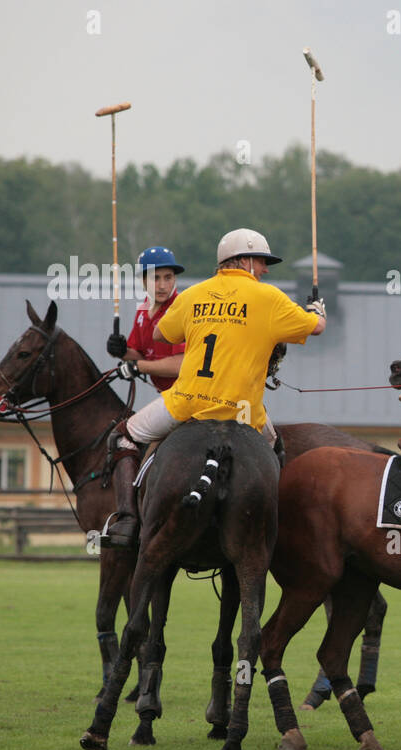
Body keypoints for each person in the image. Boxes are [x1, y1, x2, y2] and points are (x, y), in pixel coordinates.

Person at [101, 228, 326, 548]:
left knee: (123, 435)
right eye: (261, 262)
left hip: (186, 402)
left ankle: (127, 520)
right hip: (243, 410)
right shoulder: (270, 298)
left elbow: (163, 335)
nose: (264, 269)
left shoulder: (193, 294)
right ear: (244, 261)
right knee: (275, 450)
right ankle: (274, 523)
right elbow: (316, 327)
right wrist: (317, 310)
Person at [106, 246, 187, 393]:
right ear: (142, 280)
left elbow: (179, 365)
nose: (162, 286)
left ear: (174, 278)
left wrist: (138, 366)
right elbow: (144, 356)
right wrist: (122, 352)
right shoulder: (143, 309)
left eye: (168, 277)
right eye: (155, 278)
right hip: (168, 396)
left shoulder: (180, 307)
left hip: (188, 395)